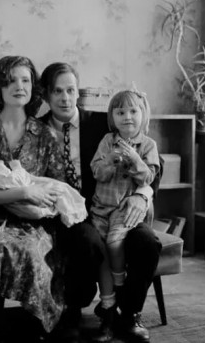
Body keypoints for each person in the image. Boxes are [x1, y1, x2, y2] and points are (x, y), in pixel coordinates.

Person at [39, 62, 161, 343]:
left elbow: (156, 165)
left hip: (119, 205)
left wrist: (142, 195)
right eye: (57, 91)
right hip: (66, 212)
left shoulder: (101, 123)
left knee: (147, 243)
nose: (65, 98)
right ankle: (73, 309)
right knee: (88, 242)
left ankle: (128, 312)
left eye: (71, 90)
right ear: (46, 94)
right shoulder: (37, 129)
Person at [0, 56, 69, 337]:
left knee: (31, 250)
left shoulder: (44, 135)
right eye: (11, 80)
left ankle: (36, 325)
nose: (19, 86)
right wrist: (22, 192)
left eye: (25, 80)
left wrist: (35, 201)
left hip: (34, 221)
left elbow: (57, 187)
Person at [89, 89, 160, 341]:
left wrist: (135, 160)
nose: (127, 117)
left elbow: (149, 177)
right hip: (100, 208)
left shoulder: (148, 145)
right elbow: (97, 172)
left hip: (124, 209)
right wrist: (109, 160)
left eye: (133, 111)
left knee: (113, 242)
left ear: (143, 114)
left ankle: (120, 289)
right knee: (101, 253)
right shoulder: (107, 141)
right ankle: (108, 307)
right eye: (120, 112)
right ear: (112, 117)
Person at [0, 152, 87, 226]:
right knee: (59, 191)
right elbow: (18, 181)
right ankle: (71, 211)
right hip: (20, 210)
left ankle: (68, 211)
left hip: (25, 207)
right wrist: (18, 169)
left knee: (56, 190)